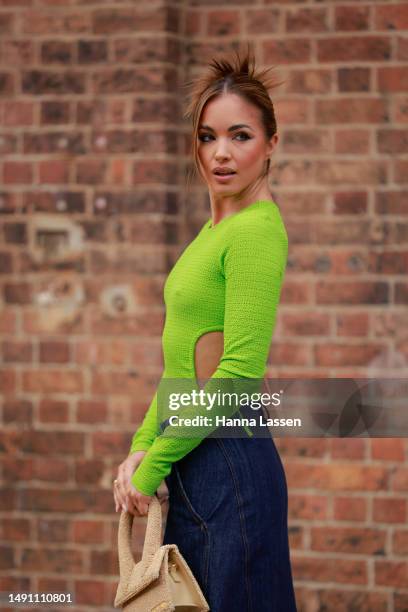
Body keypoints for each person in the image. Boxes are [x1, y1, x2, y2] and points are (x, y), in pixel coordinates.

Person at [113, 46, 298, 611]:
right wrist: (142, 450)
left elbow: (237, 378)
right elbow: (179, 366)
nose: (221, 153)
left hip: (229, 466)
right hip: (194, 456)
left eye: (240, 136)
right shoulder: (212, 233)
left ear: (271, 143)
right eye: (207, 136)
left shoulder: (255, 233)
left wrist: (157, 463)